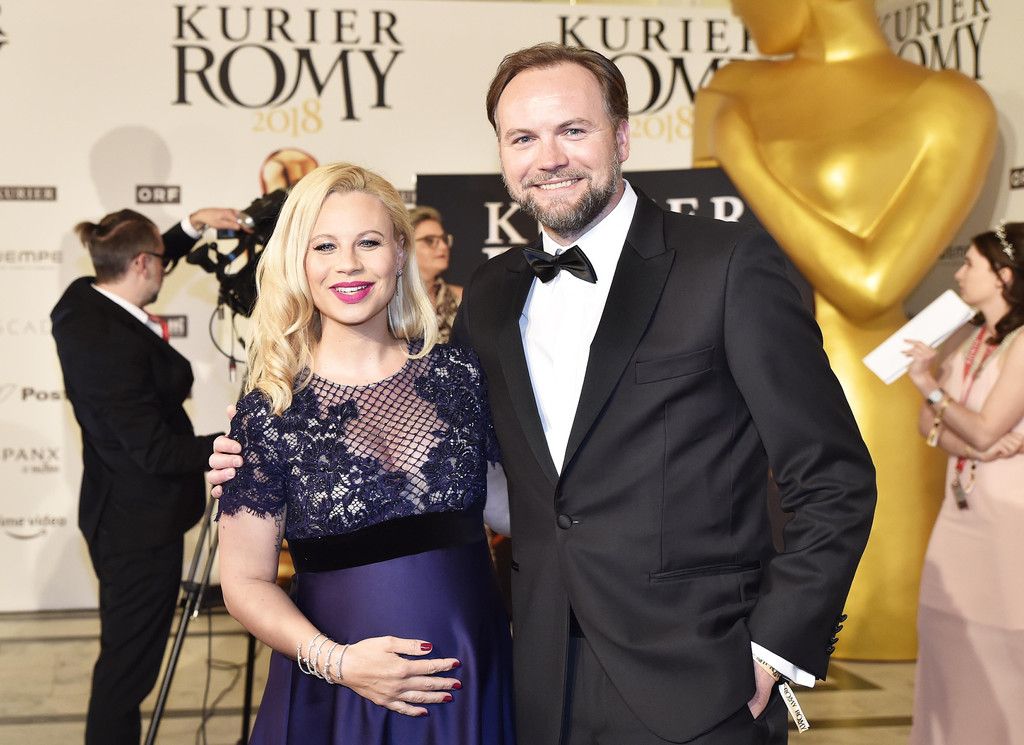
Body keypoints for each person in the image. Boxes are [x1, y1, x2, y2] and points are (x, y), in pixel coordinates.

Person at [210, 44, 875, 745]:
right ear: (502, 153)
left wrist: (777, 644)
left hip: (698, 675)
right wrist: (258, 461)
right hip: (529, 678)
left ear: (621, 136)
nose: (549, 157)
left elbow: (832, 476)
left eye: (573, 130)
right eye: (523, 137)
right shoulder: (493, 294)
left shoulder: (728, 265)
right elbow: (492, 478)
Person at [693, 0, 997, 658]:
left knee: (859, 626)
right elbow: (708, 249)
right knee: (729, 610)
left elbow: (871, 285)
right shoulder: (732, 87)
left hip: (866, 385)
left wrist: (744, 156)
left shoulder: (949, 103)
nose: (739, 9)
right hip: (735, 375)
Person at [215, 163, 515, 744]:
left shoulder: (460, 379)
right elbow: (245, 583)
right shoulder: (270, 413)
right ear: (298, 262)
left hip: (470, 681)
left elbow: (512, 510)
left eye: (368, 242)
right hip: (337, 696)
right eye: (324, 245)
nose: (347, 264)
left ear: (400, 253)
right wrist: (340, 663)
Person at [51, 209, 222, 745]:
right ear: (144, 264)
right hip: (137, 532)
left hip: (124, 515)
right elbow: (154, 452)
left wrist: (191, 227)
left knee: (124, 667)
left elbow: (135, 255)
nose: (166, 270)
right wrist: (231, 445)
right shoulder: (110, 343)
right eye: (162, 261)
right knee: (126, 676)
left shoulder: (81, 302)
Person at [903, 222, 1024, 745]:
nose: (958, 274)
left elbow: (984, 426)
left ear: (1003, 276)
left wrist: (931, 388)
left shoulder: (1022, 343)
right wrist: (971, 446)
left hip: (1008, 519)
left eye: (970, 264)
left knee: (1005, 650)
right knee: (944, 636)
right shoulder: (971, 339)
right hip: (959, 516)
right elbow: (929, 427)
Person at [409, 206, 462, 342]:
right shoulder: (389, 303)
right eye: (430, 240)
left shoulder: (462, 298)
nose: (443, 246)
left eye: (444, 239)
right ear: (404, 246)